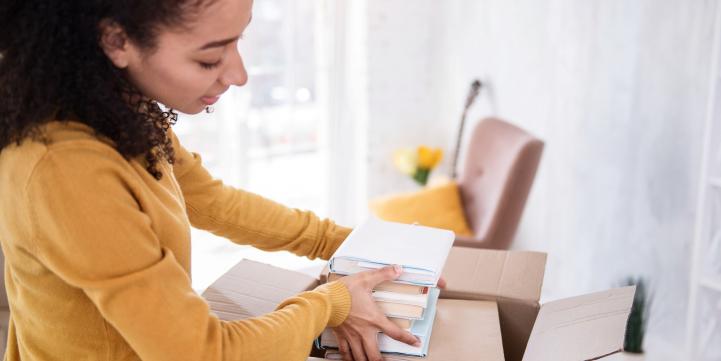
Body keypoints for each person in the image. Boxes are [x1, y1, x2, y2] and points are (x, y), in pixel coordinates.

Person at [0, 0, 445, 360]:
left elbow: (212, 202)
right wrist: (331, 302)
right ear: (117, 40)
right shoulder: (67, 170)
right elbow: (201, 353)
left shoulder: (119, 108)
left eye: (239, 40)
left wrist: (347, 246)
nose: (238, 74)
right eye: (210, 57)